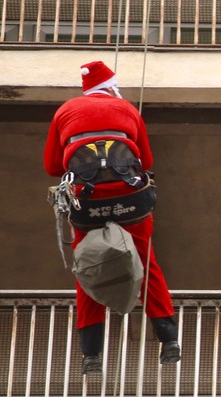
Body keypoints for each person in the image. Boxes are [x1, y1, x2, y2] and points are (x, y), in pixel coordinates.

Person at [44, 61, 179, 375]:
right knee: (145, 260)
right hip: (130, 198)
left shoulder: (65, 111)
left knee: (88, 263)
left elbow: (53, 166)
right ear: (112, 86)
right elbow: (145, 159)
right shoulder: (126, 109)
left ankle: (91, 353)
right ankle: (168, 338)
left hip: (86, 201)